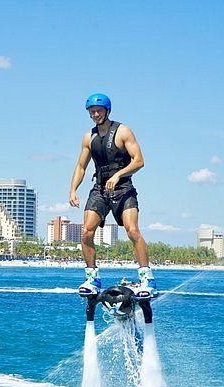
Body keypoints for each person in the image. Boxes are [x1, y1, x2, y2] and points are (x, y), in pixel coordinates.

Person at [68, 93, 156, 299]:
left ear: (107, 111)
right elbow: (81, 166)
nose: (95, 114)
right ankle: (92, 278)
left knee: (133, 231)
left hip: (123, 188)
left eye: (99, 111)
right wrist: (72, 190)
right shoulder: (88, 137)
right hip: (99, 189)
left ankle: (147, 279)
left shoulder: (123, 131)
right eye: (92, 111)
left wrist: (118, 175)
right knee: (86, 232)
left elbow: (139, 161)